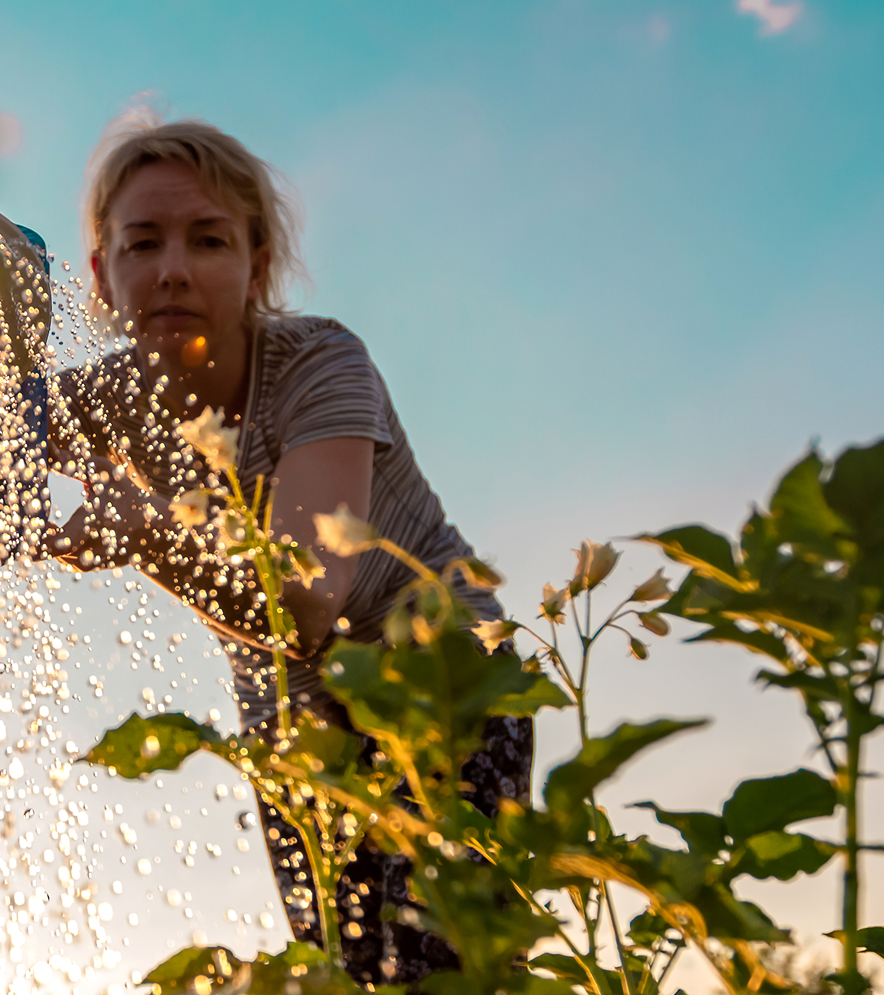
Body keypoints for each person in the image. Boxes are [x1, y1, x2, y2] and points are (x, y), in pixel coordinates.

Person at [46, 113, 531, 987]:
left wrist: (145, 533)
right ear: (102, 273)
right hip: (297, 732)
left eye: (209, 240)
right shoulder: (105, 402)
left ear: (258, 263)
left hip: (443, 682)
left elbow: (311, 603)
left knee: (444, 971)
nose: (173, 270)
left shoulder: (320, 364)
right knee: (345, 974)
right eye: (141, 243)